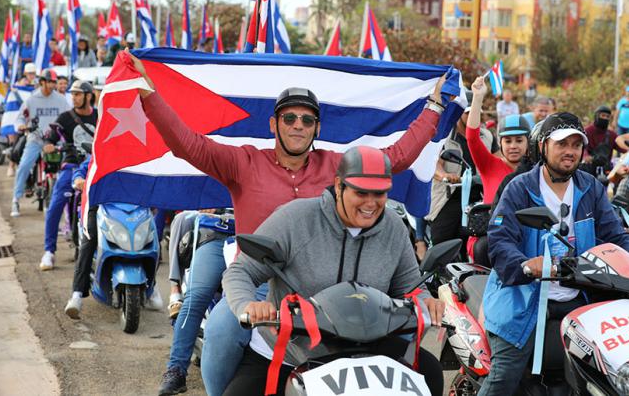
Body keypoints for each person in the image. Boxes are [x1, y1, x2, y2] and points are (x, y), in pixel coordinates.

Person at [123, 48, 453, 396]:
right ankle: (178, 368)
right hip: (263, 283)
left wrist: (434, 106)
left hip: (329, 291)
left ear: (318, 128)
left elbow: (394, 158)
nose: (298, 125)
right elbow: (189, 145)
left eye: (307, 120)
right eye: (290, 118)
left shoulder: (338, 165)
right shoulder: (244, 162)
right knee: (220, 326)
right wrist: (150, 97)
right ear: (274, 124)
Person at [222, 146, 445, 396]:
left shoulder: (394, 227)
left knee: (430, 373)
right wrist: (248, 305)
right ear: (339, 185)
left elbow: (410, 286)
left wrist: (426, 301)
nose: (371, 203)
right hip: (290, 352)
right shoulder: (295, 218)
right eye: (361, 192)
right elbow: (240, 272)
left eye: (380, 193)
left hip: (368, 350)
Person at [481, 112, 629, 396]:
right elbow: (500, 241)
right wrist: (526, 265)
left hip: (581, 295)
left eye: (576, 145)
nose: (570, 151)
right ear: (543, 146)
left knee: (617, 368)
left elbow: (615, 235)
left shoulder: (590, 187)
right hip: (523, 299)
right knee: (504, 377)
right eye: (562, 144)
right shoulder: (519, 188)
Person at [466, 76, 530, 265]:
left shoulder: (537, 170)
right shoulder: (489, 164)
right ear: (500, 143)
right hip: (489, 239)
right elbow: (472, 138)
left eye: (519, 140)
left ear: (529, 142)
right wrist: (478, 97)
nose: (513, 146)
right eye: (508, 141)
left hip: (525, 237)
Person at [39, 81, 97, 270]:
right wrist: (48, 144)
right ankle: (49, 252)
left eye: (78, 94)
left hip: (95, 167)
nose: (74, 98)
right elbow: (51, 136)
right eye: (73, 94)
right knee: (56, 205)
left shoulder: (99, 116)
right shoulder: (65, 118)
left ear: (88, 96)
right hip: (72, 166)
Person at [427, 95, 495, 246]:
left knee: (488, 242)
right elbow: (434, 164)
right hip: (450, 196)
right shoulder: (444, 135)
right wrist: (445, 175)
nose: (472, 116)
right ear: (459, 112)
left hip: (480, 198)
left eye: (476, 112)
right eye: (468, 112)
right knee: (441, 243)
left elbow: (499, 160)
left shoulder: (488, 136)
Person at [10, 70, 69, 218]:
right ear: (42, 82)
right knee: (24, 166)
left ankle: (66, 202)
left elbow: (70, 116)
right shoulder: (32, 99)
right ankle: (16, 199)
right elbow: (20, 118)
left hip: (54, 140)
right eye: (50, 82)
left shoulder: (61, 100)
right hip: (35, 139)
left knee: (66, 167)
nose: (53, 85)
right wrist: (21, 125)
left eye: (54, 82)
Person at [581, 105, 621, 179]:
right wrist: (586, 156)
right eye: (603, 115)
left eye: (607, 116)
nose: (605, 118)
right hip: (588, 168)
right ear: (596, 116)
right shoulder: (587, 131)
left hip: (606, 170)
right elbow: (581, 147)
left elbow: (622, 147)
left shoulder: (612, 135)